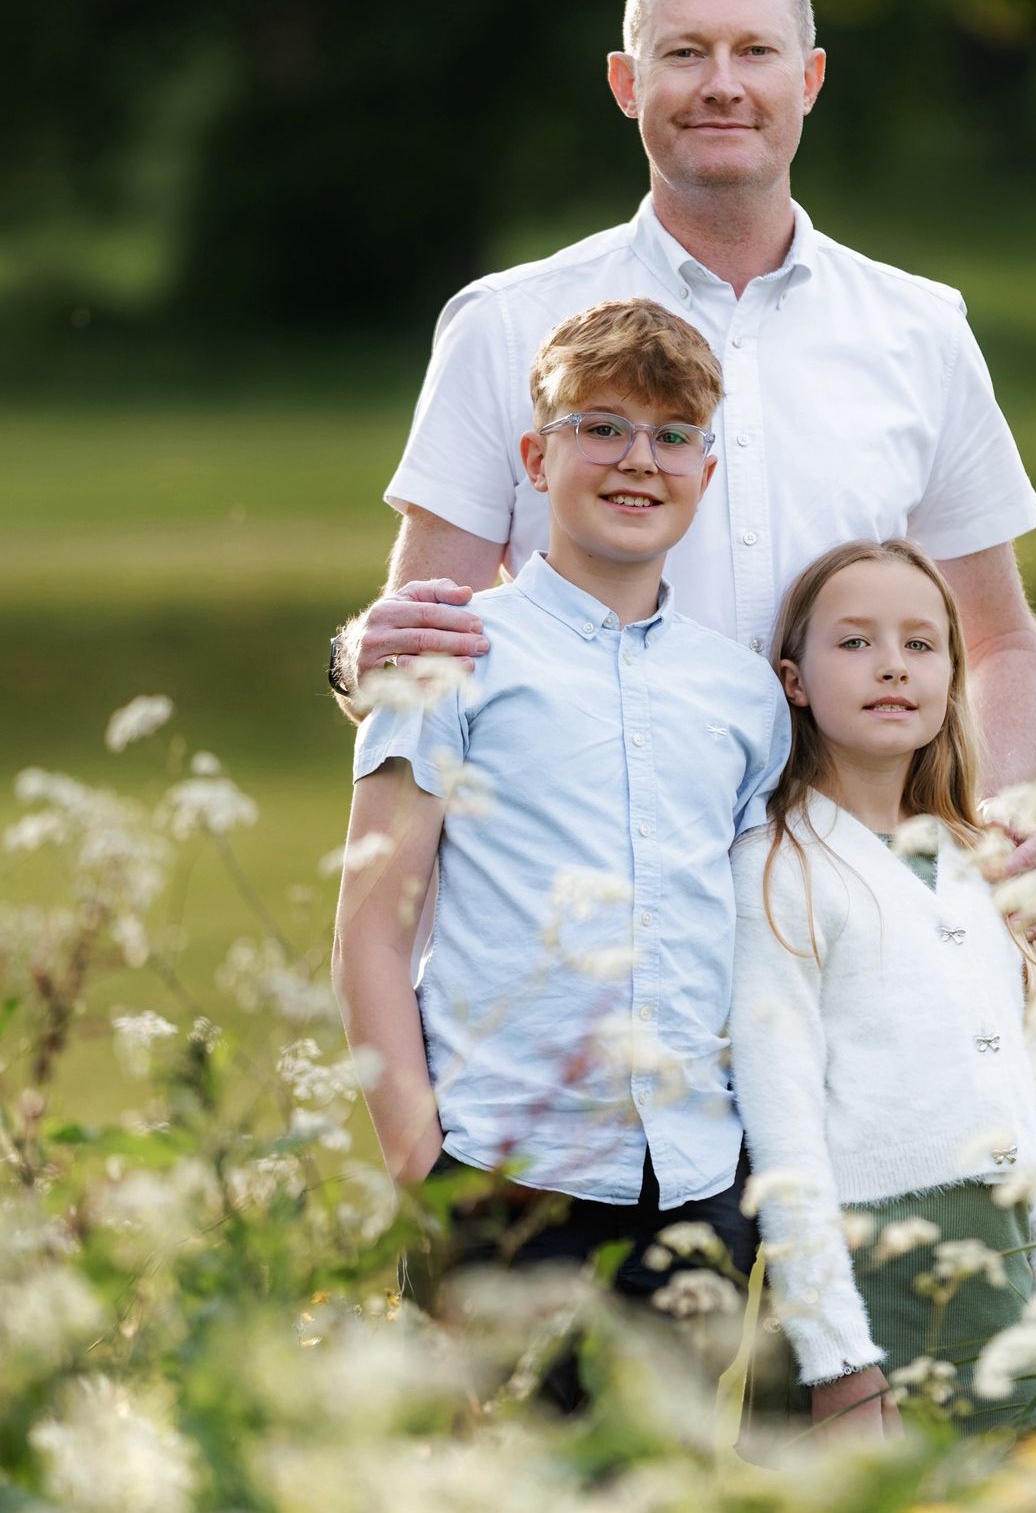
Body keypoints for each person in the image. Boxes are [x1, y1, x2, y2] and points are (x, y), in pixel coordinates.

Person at [329, 0, 1036, 879]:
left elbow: (1001, 641)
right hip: (592, 897)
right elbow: (425, 653)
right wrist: (356, 657)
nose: (724, 83)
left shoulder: (919, 328)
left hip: (858, 893)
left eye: (756, 51)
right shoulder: (507, 324)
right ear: (627, 84)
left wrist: (981, 825)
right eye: (684, 53)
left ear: (810, 79)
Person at [331, 299, 789, 1395]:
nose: (639, 460)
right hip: (502, 1167)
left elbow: (756, 933)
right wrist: (417, 1158)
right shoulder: (453, 654)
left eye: (672, 436)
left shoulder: (740, 693)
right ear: (537, 458)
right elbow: (369, 931)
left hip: (694, 1178)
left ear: (706, 473)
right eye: (603, 428)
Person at [727, 538, 1036, 1441]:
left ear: (953, 678)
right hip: (864, 1291)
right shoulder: (777, 869)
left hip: (1007, 1280)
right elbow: (782, 1130)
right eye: (854, 643)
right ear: (794, 680)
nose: (892, 664)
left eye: (921, 644)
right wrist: (837, 1358)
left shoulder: (986, 867)